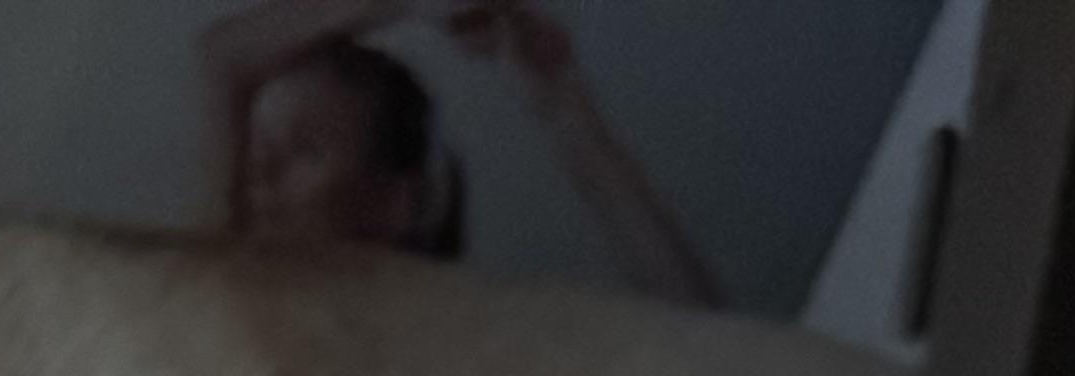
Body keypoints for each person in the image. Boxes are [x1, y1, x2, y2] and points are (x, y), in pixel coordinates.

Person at [200, 0, 722, 304]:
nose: (258, 170)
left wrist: (564, 108)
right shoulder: (223, 303)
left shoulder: (454, 349)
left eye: (304, 148)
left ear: (389, 205)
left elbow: (715, 355)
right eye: (259, 145)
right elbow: (223, 56)